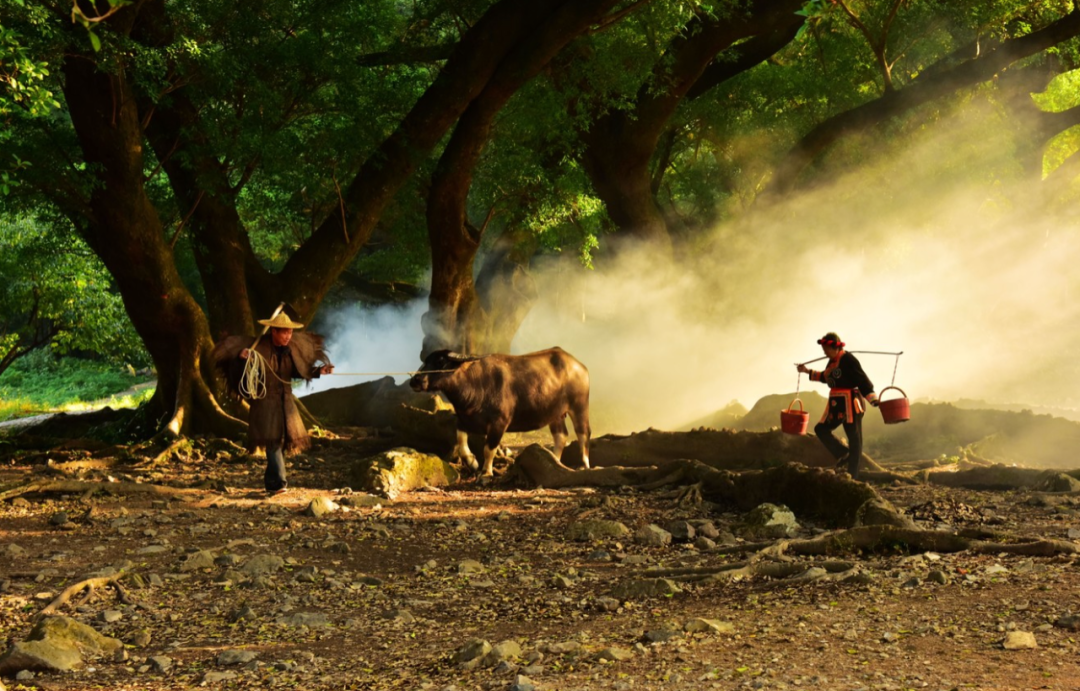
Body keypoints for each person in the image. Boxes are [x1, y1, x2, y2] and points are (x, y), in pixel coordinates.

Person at [213, 311, 333, 496]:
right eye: (284, 332)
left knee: (282, 440)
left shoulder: (289, 350)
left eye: (290, 332)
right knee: (272, 441)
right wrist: (241, 358)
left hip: (285, 401)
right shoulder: (258, 348)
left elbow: (298, 371)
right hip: (264, 402)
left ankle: (270, 482)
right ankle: (280, 482)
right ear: (274, 332)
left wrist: (320, 371)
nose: (288, 336)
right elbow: (240, 373)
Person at [797, 332, 878, 478]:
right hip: (836, 404)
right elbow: (825, 377)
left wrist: (872, 398)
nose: (824, 352)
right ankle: (842, 452)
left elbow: (862, 380)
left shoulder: (849, 360)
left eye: (826, 349)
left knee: (855, 439)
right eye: (823, 349)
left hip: (851, 404)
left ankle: (853, 475)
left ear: (835, 347)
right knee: (821, 429)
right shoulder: (832, 361)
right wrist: (805, 371)